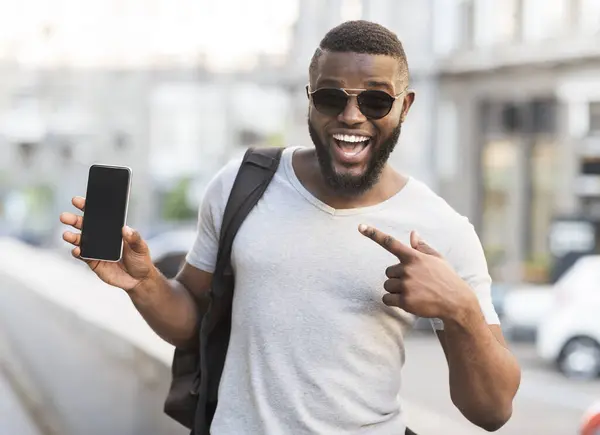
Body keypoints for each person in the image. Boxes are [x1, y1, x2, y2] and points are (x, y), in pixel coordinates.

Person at [60, 20, 520, 434]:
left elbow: (492, 410)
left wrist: (459, 308)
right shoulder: (242, 183)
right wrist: (144, 283)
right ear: (309, 99)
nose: (352, 115)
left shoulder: (441, 228)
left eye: (377, 99)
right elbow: (189, 322)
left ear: (406, 106)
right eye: (330, 96)